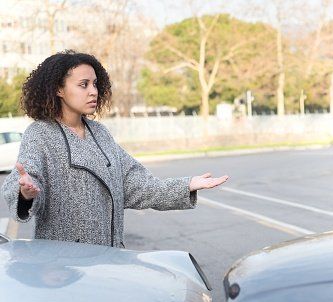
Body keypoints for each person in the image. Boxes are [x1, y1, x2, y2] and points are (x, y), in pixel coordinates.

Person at [1, 50, 228, 248]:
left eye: (95, 84)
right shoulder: (40, 133)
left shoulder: (100, 133)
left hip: (110, 257)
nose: (93, 91)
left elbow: (137, 184)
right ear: (59, 89)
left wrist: (186, 184)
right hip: (62, 267)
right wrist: (25, 193)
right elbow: (24, 178)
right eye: (83, 84)